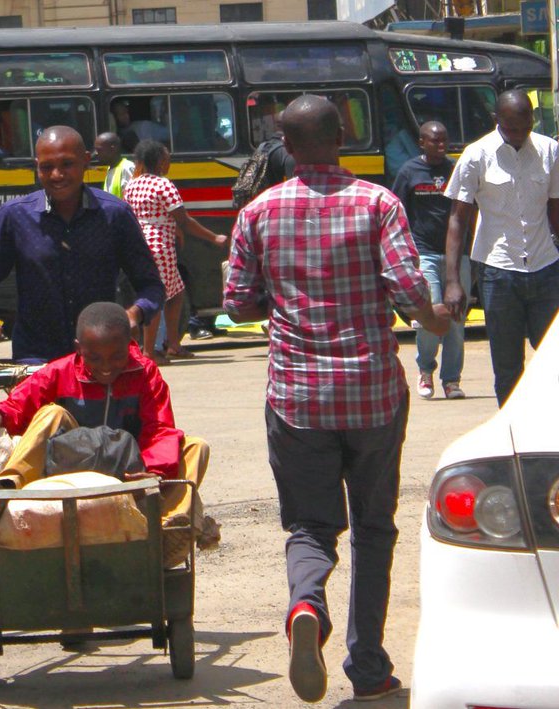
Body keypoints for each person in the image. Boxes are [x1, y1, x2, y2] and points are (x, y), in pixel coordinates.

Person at [223, 95, 451, 704]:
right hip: (372, 393)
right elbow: (408, 289)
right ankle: (369, 665)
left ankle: (306, 606)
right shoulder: (379, 203)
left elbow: (236, 303)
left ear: (287, 147)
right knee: (374, 528)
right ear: (343, 135)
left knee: (308, 525)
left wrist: (282, 299)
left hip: (296, 397)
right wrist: (433, 319)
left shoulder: (260, 212)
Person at [0, 126, 165, 364]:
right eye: (47, 167)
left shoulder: (115, 215)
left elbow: (151, 286)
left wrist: (134, 313)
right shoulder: (14, 217)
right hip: (37, 362)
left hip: (101, 361)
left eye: (67, 164)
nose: (57, 175)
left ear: (86, 161)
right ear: (37, 166)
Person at [0, 302, 185, 486]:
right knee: (52, 414)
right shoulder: (59, 371)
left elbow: (159, 428)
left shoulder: (144, 372)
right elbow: (17, 404)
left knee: (195, 448)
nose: (106, 366)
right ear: (79, 349)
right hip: (69, 464)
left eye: (117, 356)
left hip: (129, 468)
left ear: (130, 344)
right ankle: (10, 481)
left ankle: (172, 518)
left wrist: (154, 470)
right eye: (95, 358)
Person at [443, 89, 559, 406]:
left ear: (532, 119)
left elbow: (556, 210)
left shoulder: (550, 151)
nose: (519, 135)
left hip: (546, 268)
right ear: (497, 121)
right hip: (498, 273)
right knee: (508, 366)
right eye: (511, 129)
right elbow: (457, 219)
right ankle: (512, 438)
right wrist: (453, 281)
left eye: (525, 127)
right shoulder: (476, 155)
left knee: (553, 358)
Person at [123, 140, 228, 364]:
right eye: (167, 158)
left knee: (176, 292)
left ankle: (173, 345)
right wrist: (214, 237)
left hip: (141, 244)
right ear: (160, 161)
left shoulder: (133, 185)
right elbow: (184, 220)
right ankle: (150, 353)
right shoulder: (164, 185)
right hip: (160, 245)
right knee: (157, 298)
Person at [391, 121, 469, 400]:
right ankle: (426, 369)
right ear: (421, 142)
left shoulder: (456, 170)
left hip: (456, 256)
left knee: (457, 320)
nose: (441, 145)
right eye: (434, 141)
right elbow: (397, 211)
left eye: (444, 140)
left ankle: (451, 380)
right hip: (423, 253)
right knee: (431, 315)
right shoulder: (409, 171)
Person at [94, 132, 133, 199]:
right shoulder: (110, 169)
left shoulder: (127, 168)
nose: (96, 154)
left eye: (99, 150)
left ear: (113, 149)